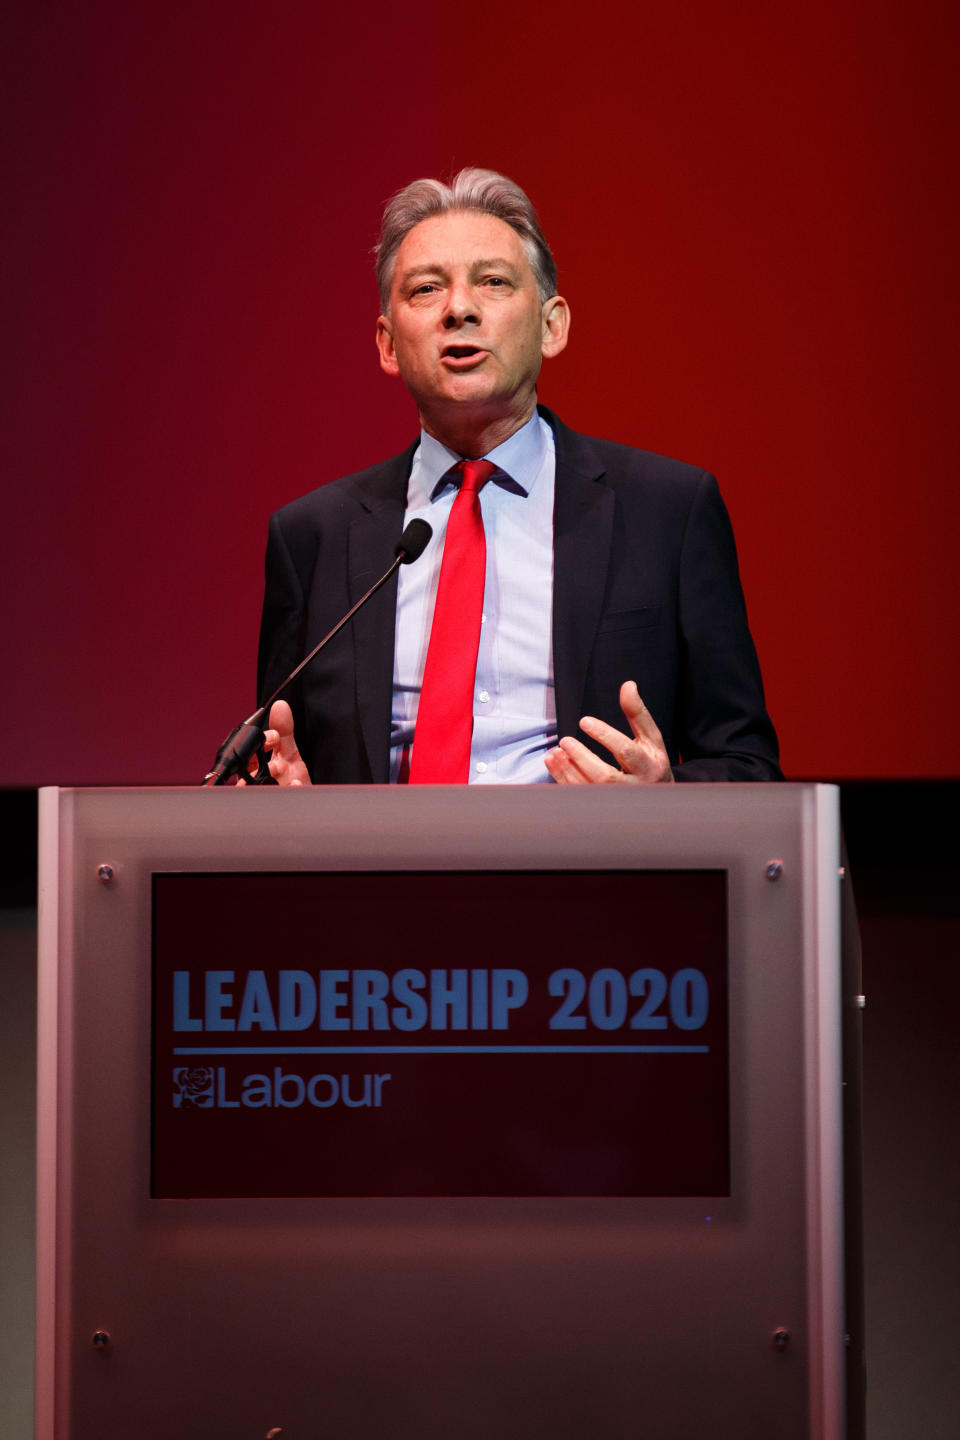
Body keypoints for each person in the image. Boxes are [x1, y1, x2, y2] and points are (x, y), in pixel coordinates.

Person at [254, 168, 781, 787]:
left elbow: (749, 767)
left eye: (494, 282)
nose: (459, 309)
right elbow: (274, 758)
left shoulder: (668, 513)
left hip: (585, 874)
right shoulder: (312, 536)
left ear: (552, 326)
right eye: (426, 289)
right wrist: (280, 797)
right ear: (388, 344)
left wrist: (664, 799)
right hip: (384, 878)